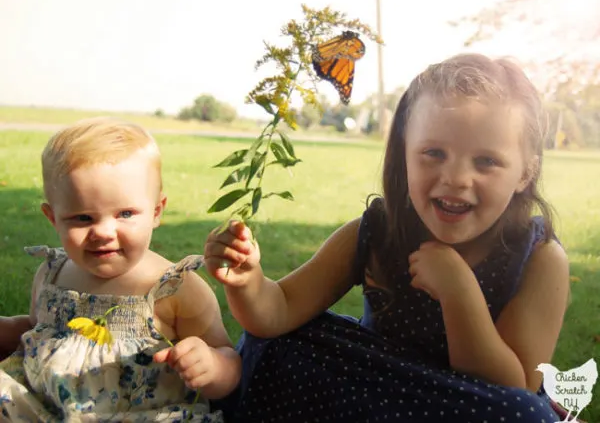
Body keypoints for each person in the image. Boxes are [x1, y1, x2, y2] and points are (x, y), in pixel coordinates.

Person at [204, 53, 571, 422]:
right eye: (433, 153)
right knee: (275, 342)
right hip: (377, 395)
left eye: (486, 162)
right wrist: (247, 281)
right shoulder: (378, 231)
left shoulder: (539, 257)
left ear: (526, 172)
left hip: (464, 410)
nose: (456, 177)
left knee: (525, 415)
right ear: (404, 154)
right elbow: (279, 309)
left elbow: (513, 385)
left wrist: (458, 290)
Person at [0, 117, 241, 422]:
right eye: (83, 218)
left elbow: (229, 358)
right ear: (53, 218)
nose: (103, 232)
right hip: (42, 407)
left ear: (156, 212)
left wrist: (212, 365)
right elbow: (37, 331)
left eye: (125, 213)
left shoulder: (174, 287)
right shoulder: (52, 274)